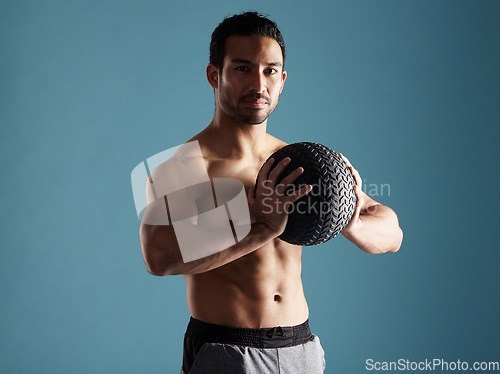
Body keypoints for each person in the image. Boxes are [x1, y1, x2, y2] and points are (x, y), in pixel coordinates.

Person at [139, 11, 403, 374]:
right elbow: (158, 257)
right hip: (227, 352)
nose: (259, 84)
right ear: (215, 75)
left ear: (282, 80)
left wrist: (349, 218)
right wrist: (257, 227)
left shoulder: (299, 161)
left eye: (270, 70)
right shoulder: (182, 166)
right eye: (243, 69)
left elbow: (392, 233)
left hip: (302, 349)